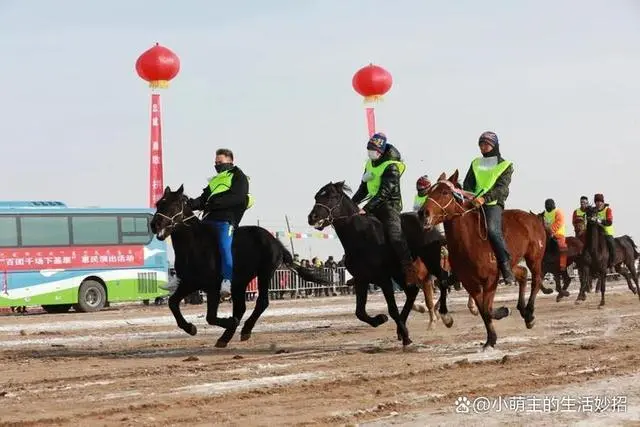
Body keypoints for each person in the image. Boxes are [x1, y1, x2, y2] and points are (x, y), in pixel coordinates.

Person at [161, 148, 252, 301]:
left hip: (226, 220)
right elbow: (203, 200)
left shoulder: (239, 177)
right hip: (209, 219)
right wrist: (189, 204)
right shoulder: (215, 180)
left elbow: (238, 198)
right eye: (215, 163)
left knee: (224, 246)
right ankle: (181, 277)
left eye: (220, 162)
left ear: (230, 161)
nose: (217, 165)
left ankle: (228, 281)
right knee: (187, 240)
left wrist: (214, 203)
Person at [352, 132, 420, 286]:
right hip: (373, 204)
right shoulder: (369, 164)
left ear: (381, 151)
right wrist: (351, 204)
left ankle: (409, 268)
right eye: (369, 148)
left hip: (389, 205)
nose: (370, 152)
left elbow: (384, 192)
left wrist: (366, 208)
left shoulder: (392, 167)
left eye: (373, 149)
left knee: (394, 234)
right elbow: (363, 189)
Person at [462, 131, 515, 285]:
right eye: (481, 144)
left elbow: (502, 189)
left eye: (486, 144)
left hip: (492, 204)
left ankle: (506, 266)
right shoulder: (476, 163)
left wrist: (484, 198)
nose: (483, 147)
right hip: (473, 202)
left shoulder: (505, 165)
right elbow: (468, 183)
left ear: (494, 145)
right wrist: (470, 196)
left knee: (492, 230)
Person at [542, 198, 568, 273]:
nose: (547, 206)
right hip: (546, 234)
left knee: (562, 247)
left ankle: (562, 265)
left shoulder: (558, 212)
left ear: (553, 205)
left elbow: (559, 223)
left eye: (548, 205)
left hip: (558, 234)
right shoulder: (544, 214)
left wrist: (550, 231)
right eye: (546, 205)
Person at [594, 193, 616, 268]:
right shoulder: (594, 210)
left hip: (607, 233)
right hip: (597, 234)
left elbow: (609, 222)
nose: (598, 203)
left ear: (603, 202)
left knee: (612, 245)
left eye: (600, 201)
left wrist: (600, 221)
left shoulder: (608, 210)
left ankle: (613, 261)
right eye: (597, 201)